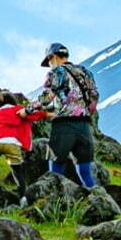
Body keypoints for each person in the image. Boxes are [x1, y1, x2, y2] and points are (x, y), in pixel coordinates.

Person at [25, 42, 101, 188]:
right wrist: (83, 111)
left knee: (55, 166)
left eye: (48, 61)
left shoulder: (56, 72)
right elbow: (94, 96)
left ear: (52, 56)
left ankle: (55, 199)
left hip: (64, 125)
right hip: (84, 126)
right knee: (85, 169)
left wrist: (28, 110)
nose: (49, 64)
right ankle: (95, 195)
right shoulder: (85, 71)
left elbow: (47, 97)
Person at [0, 91, 47, 188]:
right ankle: (22, 197)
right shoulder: (19, 110)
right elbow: (33, 115)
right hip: (13, 144)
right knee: (17, 173)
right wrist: (45, 114)